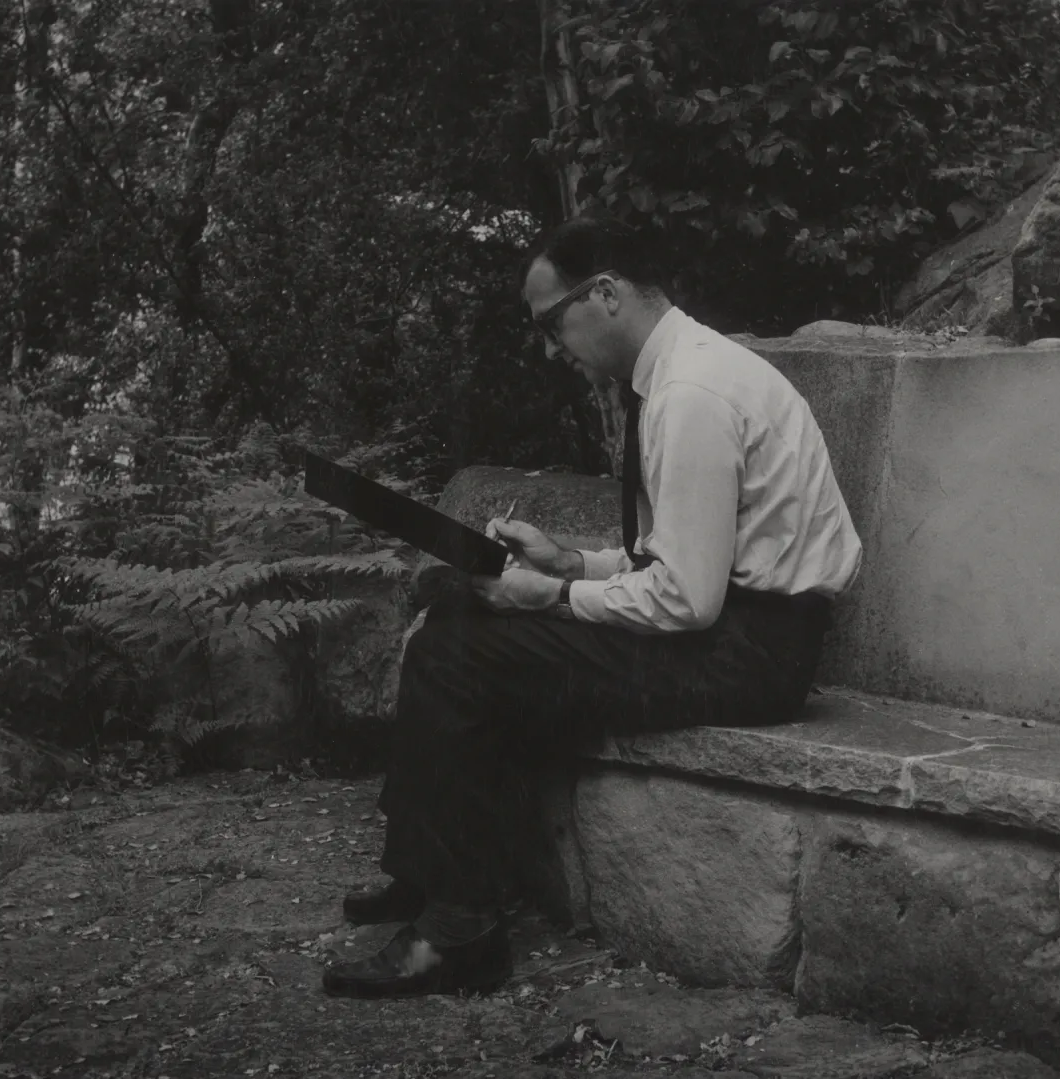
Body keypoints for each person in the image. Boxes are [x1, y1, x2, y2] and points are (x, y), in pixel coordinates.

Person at [321, 213, 862, 1000]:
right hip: (736, 625)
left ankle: (462, 932)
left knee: (457, 653)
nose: (551, 348)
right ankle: (430, 872)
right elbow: (676, 560)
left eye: (552, 323)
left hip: (754, 653)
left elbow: (685, 598)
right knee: (457, 615)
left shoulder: (693, 394)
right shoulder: (679, 373)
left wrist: (557, 597)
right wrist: (570, 562)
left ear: (604, 293)